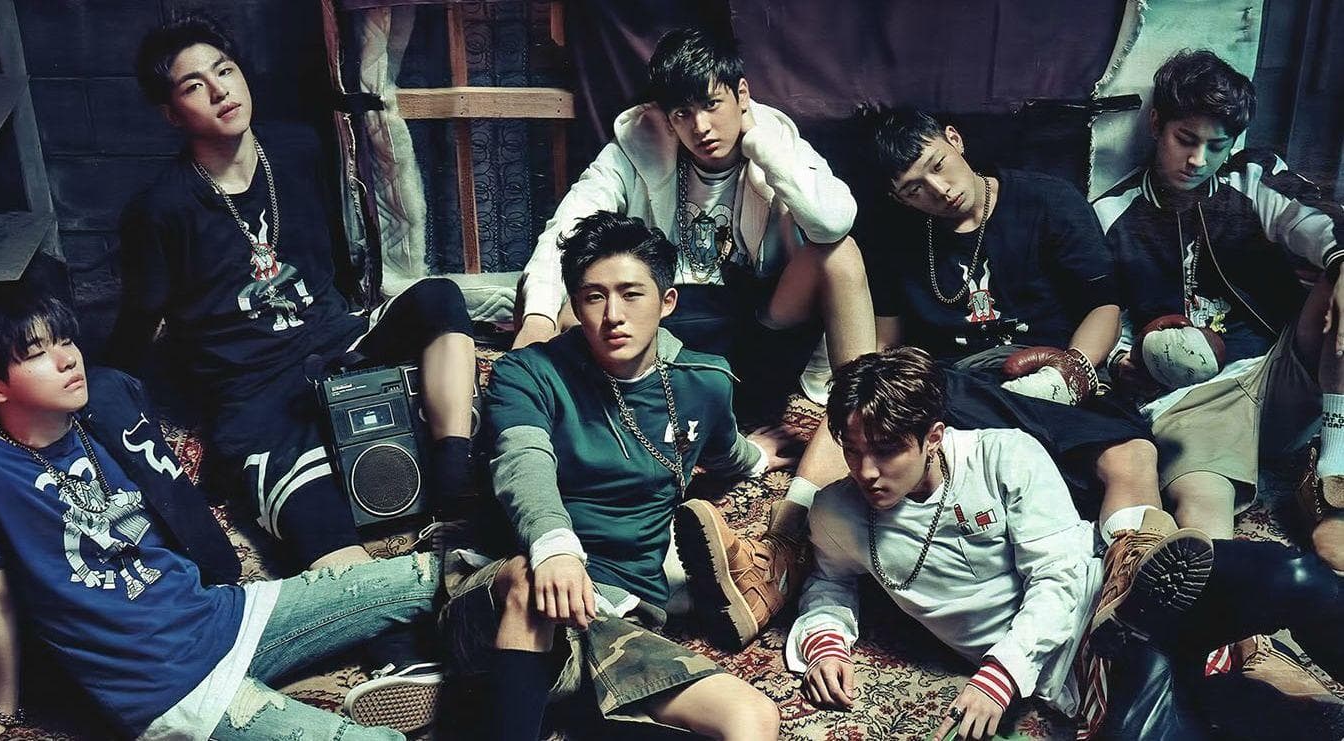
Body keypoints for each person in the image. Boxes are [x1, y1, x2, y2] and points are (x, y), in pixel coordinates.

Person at [105, 14, 476, 729]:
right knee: (316, 511)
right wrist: (107, 395)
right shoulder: (160, 209)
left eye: (224, 70)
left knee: (438, 299)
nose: (219, 90)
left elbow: (335, 257)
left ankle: (452, 475)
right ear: (170, 112)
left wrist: (350, 329)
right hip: (251, 391)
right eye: (193, 85)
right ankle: (402, 658)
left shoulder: (299, 148)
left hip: (336, 340)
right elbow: (140, 319)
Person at [0, 284, 442, 741]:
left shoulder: (104, 409)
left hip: (222, 615)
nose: (68, 360)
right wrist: (1, 712)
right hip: (164, 685)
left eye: (66, 341)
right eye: (38, 354)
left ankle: (469, 642)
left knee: (432, 575)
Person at [510, 27, 880, 648]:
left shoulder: (773, 137)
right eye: (682, 113)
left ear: (742, 95)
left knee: (840, 254)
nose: (701, 127)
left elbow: (833, 218)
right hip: (669, 340)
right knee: (582, 300)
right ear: (664, 115)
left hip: (757, 329)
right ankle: (604, 466)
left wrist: (761, 144)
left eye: (713, 104)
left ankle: (846, 445)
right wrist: (539, 319)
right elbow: (565, 234)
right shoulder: (636, 145)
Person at [789, 347, 1344, 740]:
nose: (866, 471)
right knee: (1195, 711)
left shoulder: (1004, 455)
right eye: (852, 450)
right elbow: (829, 582)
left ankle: (1154, 588)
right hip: (1086, 665)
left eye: (887, 450)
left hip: (1104, 596)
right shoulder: (839, 511)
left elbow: (1058, 574)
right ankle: (1233, 686)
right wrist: (826, 643)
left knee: (1295, 577)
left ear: (933, 436)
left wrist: (1000, 674)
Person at [441, 212, 789, 740]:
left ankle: (529, 706)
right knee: (531, 581)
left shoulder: (705, 380)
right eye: (594, 297)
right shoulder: (526, 373)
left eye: (631, 294)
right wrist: (554, 547)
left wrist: (757, 457)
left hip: (619, 617)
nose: (613, 316)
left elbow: (724, 450)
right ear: (574, 305)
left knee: (753, 718)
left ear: (666, 302)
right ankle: (507, 699)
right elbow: (522, 461)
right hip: (513, 596)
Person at [861, 106, 1177, 569]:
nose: (939, 189)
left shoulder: (1047, 200)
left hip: (1053, 372)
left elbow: (1104, 306)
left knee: (1133, 454)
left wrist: (1072, 369)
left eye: (938, 165)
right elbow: (887, 346)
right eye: (914, 189)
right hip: (960, 389)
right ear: (899, 198)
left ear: (955, 139)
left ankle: (1132, 575)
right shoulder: (894, 237)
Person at [1093, 49, 1344, 569]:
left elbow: (1320, 226)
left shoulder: (1251, 179)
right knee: (1203, 520)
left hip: (1280, 371)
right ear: (1157, 124)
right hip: (1192, 400)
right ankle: (1226, 609)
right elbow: (1100, 307)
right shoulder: (1111, 212)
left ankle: (1334, 478)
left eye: (1216, 146)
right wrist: (1121, 359)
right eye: (1185, 140)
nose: (1198, 160)